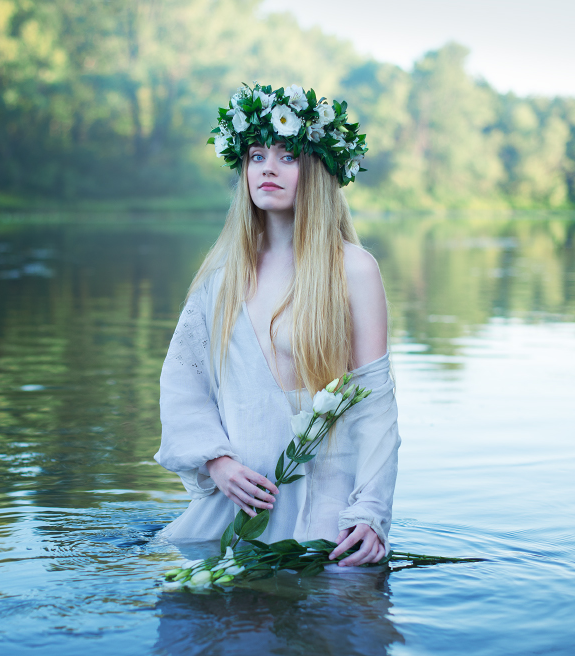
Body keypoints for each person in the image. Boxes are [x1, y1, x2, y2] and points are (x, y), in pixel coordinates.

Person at [154, 83, 400, 568]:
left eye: (288, 157)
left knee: (337, 619)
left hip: (323, 508)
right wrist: (217, 462)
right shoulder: (221, 276)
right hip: (237, 505)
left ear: (319, 172)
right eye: (256, 155)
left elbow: (375, 408)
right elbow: (183, 383)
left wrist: (371, 513)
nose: (267, 167)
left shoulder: (353, 268)